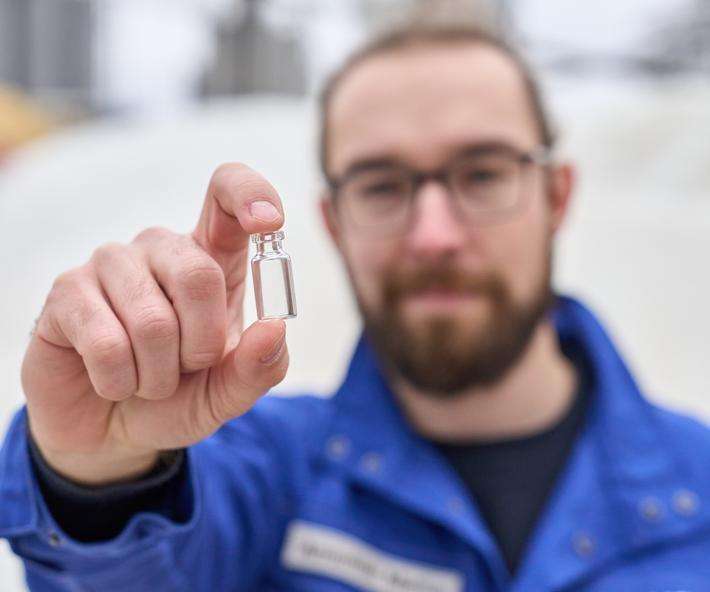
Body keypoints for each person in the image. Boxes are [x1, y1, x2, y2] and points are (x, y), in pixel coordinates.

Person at [2, 23, 710, 592]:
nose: (434, 235)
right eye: (381, 185)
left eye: (484, 173)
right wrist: (100, 480)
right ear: (335, 223)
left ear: (556, 197)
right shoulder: (266, 474)